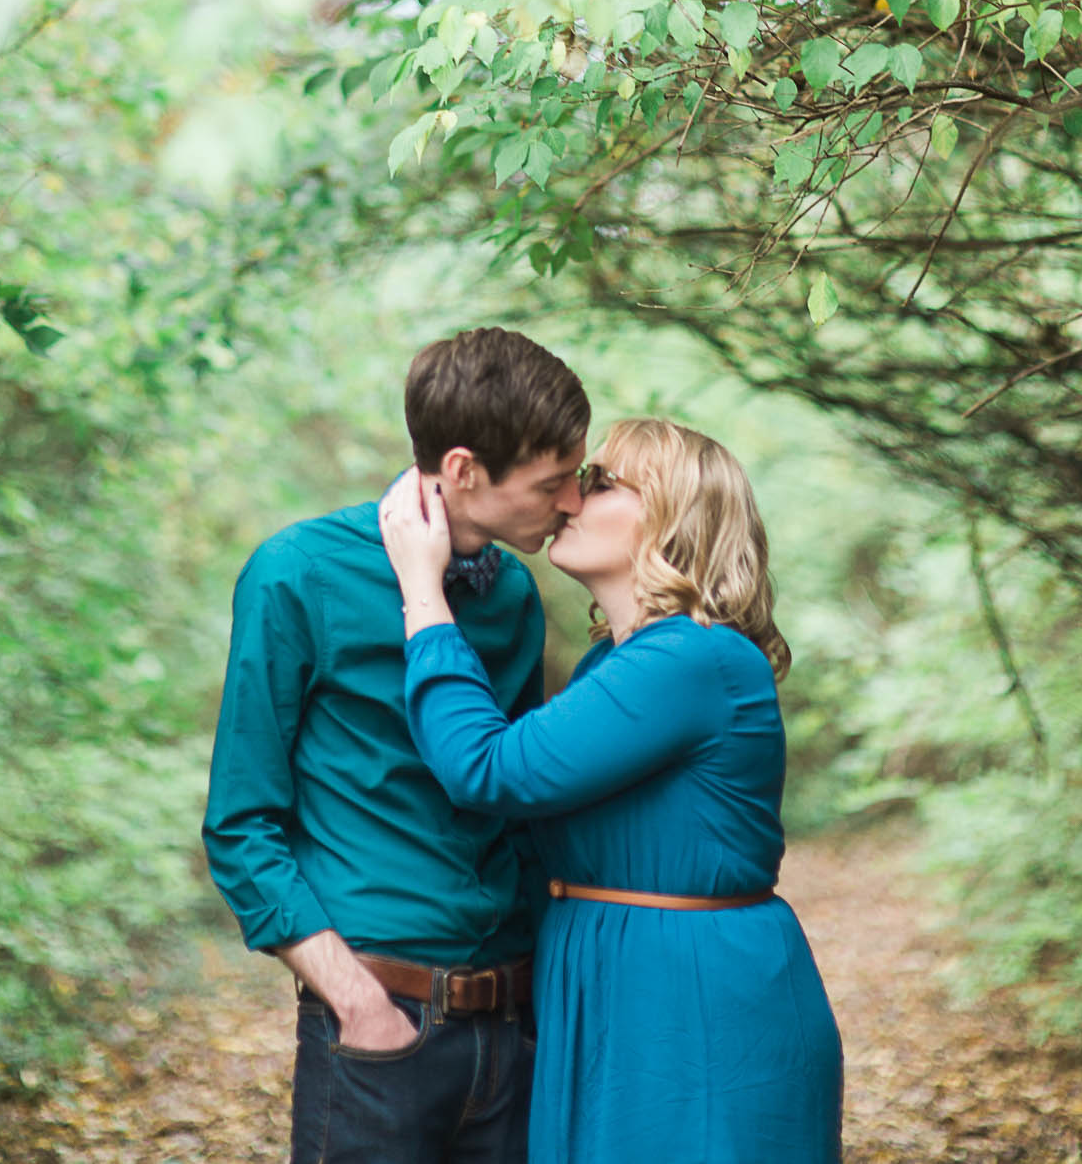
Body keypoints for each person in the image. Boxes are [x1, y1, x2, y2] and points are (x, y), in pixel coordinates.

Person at [380, 416, 843, 1164]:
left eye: (597, 481)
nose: (568, 499)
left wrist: (423, 593)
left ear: (670, 515)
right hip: (614, 986)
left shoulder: (696, 657)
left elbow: (488, 768)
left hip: (690, 1001)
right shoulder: (615, 662)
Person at [202, 326, 590, 1164]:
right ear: (462, 470)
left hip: (513, 1034)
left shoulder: (516, 594)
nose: (570, 504)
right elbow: (239, 826)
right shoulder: (296, 573)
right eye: (551, 482)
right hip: (381, 1031)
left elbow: (514, 806)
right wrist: (358, 1003)